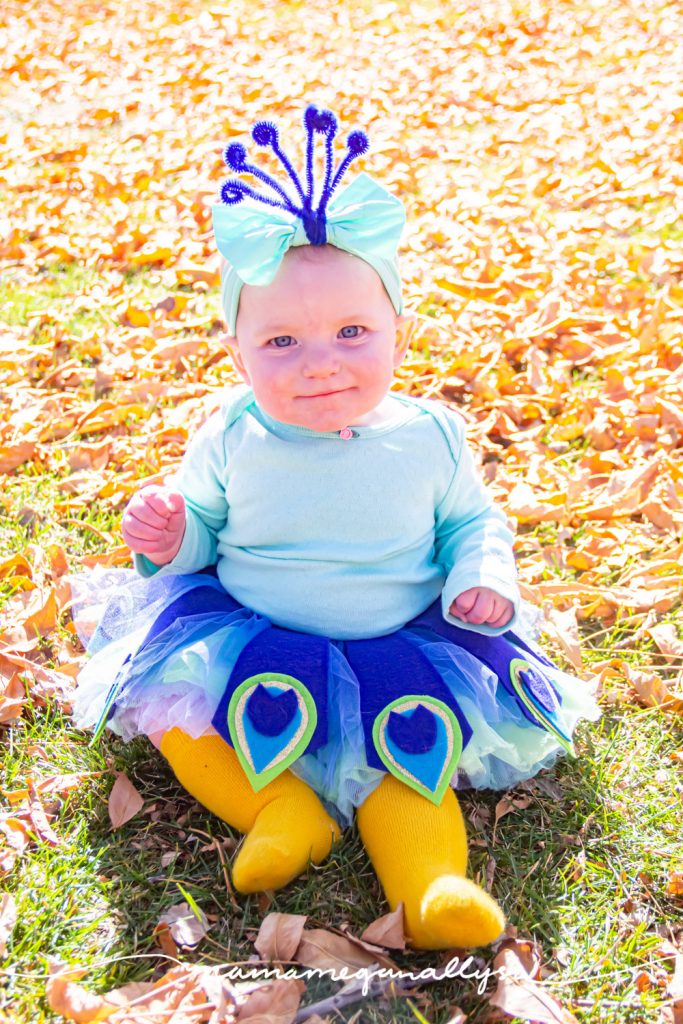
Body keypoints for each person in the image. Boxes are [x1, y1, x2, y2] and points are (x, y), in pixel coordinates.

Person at [72, 105, 599, 950]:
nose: (321, 360)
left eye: (353, 332)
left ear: (398, 335)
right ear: (238, 353)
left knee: (410, 749)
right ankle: (280, 811)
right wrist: (174, 538)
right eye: (281, 340)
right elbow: (208, 530)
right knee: (182, 718)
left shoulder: (427, 434)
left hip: (397, 644)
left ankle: (431, 882)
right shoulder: (231, 433)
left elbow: (471, 521)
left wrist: (480, 576)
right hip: (258, 637)